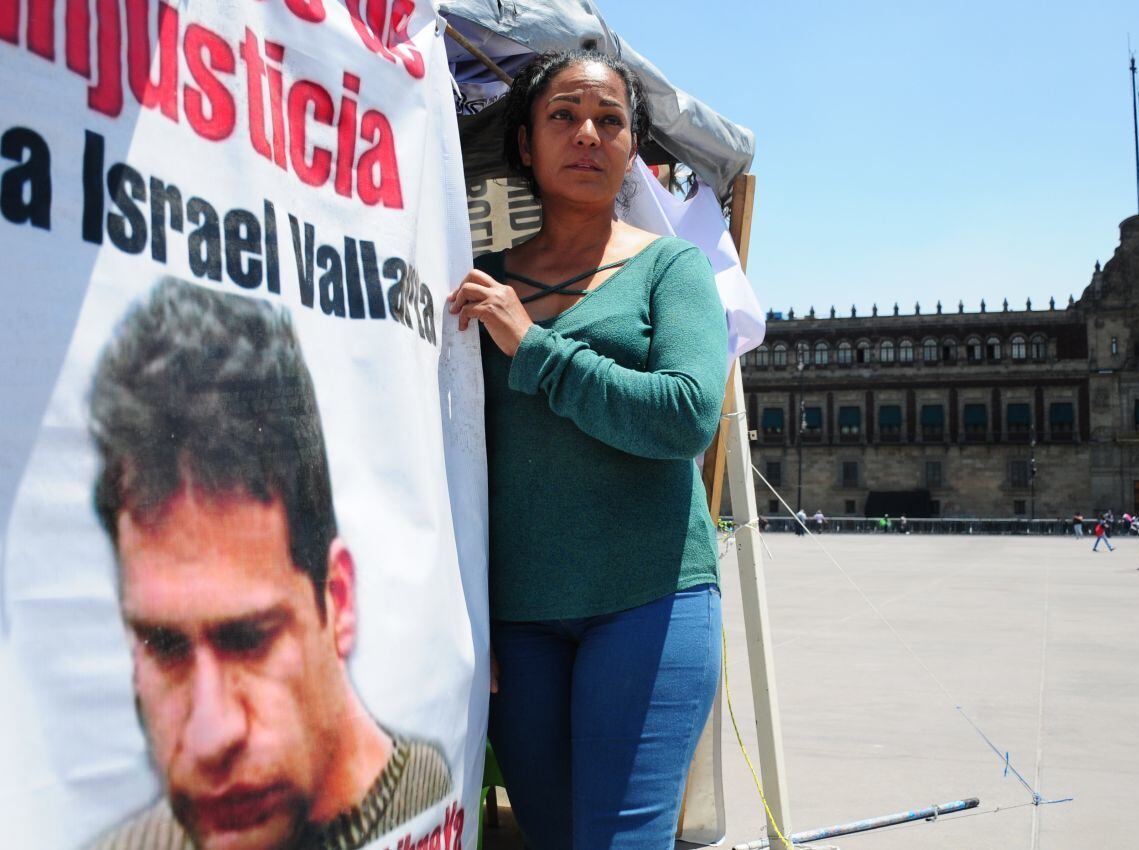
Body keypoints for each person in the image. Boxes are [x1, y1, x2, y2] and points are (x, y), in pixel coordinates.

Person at [446, 50, 727, 849]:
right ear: (526, 146)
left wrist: (534, 350)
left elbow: (685, 416)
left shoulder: (672, 269)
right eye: (564, 115)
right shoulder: (478, 283)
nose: (588, 134)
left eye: (610, 120)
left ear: (632, 148)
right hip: (519, 625)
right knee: (552, 835)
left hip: (651, 603)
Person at [89, 280, 451, 850]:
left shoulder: (436, 797)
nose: (212, 735)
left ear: (338, 600)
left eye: (249, 638)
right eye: (164, 645)